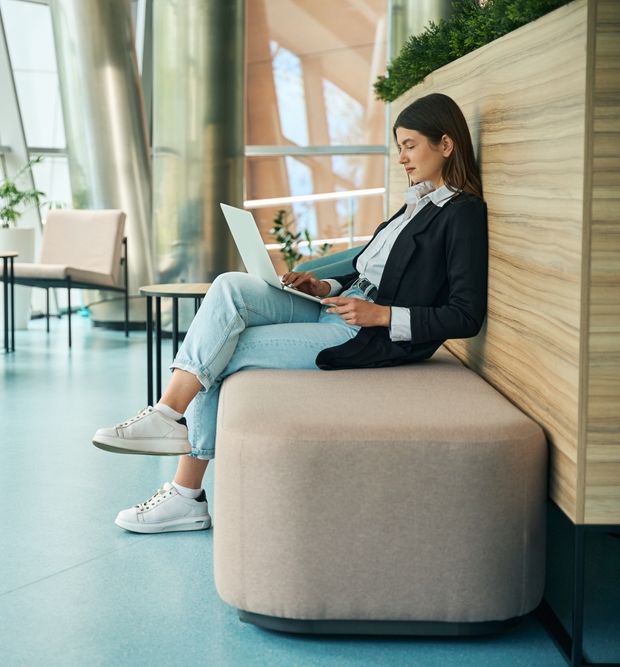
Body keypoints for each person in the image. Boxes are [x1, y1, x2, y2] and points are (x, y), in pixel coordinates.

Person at [92, 92, 489, 534]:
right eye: (399, 146)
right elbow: (369, 269)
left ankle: (186, 496)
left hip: (366, 336)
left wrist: (380, 316)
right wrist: (324, 286)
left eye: (410, 145)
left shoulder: (463, 214)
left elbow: (466, 314)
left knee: (225, 348)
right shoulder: (417, 203)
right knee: (228, 286)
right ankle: (167, 416)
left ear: (446, 145)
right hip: (338, 307)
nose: (401, 158)